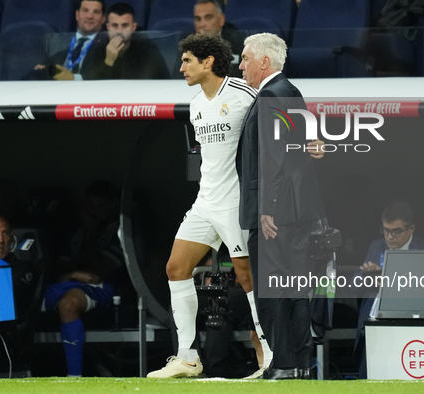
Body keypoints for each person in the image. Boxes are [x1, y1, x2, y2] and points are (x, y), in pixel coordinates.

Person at [146, 33, 273, 380]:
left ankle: (268, 351)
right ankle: (187, 357)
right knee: (175, 268)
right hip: (205, 202)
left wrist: (309, 137)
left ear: (208, 62)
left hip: (235, 203)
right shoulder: (196, 104)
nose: (181, 67)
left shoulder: (244, 94)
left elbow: (279, 118)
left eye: (187, 60)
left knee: (247, 277)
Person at [236, 33, 326, 380]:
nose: (241, 65)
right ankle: (300, 363)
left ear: (264, 62)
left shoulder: (272, 95)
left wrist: (267, 209)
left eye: (245, 58)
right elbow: (302, 148)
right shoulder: (291, 92)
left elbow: (273, 159)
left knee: (273, 293)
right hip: (297, 210)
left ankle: (284, 363)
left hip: (276, 213)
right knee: (294, 290)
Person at [42, 180, 125, 377]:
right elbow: (60, 270)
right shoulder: (74, 232)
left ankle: (74, 379)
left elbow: (98, 271)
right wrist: (73, 273)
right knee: (26, 299)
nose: (94, 211)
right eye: (90, 205)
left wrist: (89, 232)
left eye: (100, 206)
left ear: (112, 206)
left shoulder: (118, 232)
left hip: (103, 289)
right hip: (68, 283)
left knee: (69, 304)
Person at [350, 201, 424, 379]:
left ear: (411, 229)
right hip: (373, 323)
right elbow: (353, 285)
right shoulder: (376, 247)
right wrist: (367, 276)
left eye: (396, 231)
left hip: (410, 324)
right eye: (386, 230)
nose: (389, 237)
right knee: (368, 377)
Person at [0, 215, 40, 369]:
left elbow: (8, 302)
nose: (0, 239)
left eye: (5, 233)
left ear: (11, 239)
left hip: (2, 340)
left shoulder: (23, 269)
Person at [92, 2, 170, 79]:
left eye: (125, 25)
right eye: (114, 25)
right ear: (108, 27)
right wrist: (109, 61)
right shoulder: (99, 46)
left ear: (133, 27)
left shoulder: (147, 49)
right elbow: (90, 84)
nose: (119, 31)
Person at [34, 0, 106, 80]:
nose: (89, 16)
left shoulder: (109, 46)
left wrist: (74, 78)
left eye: (96, 12)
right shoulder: (58, 42)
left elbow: (110, 75)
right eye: (85, 10)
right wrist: (40, 71)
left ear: (103, 18)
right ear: (77, 15)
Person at [193, 0, 243, 77]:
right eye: (198, 19)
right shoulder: (187, 42)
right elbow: (178, 76)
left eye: (208, 18)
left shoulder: (236, 41)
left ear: (221, 20)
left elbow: (240, 75)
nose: (202, 24)